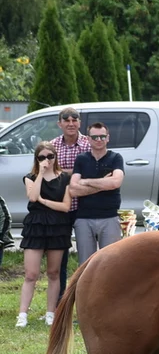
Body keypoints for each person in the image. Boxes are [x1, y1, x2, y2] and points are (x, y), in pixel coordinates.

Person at [15, 141, 72, 328]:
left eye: (50, 156)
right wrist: (40, 173)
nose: (46, 160)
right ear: (36, 159)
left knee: (53, 272)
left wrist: (44, 201)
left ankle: (51, 313)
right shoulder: (30, 177)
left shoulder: (64, 178)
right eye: (42, 157)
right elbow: (32, 198)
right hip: (36, 225)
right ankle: (22, 314)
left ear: (55, 157)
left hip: (57, 226)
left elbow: (65, 206)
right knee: (31, 274)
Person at [70, 122, 124, 264]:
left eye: (102, 137)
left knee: (111, 263)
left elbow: (115, 183)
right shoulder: (81, 159)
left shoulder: (116, 158)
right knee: (85, 264)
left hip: (110, 217)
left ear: (108, 138)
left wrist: (86, 181)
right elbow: (73, 189)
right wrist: (102, 184)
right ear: (88, 139)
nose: (99, 140)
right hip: (84, 218)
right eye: (95, 137)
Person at [51, 107, 90, 297]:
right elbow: (48, 174)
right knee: (60, 259)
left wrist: (64, 172)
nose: (71, 123)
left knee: (88, 258)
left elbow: (95, 174)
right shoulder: (51, 146)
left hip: (86, 208)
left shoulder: (89, 144)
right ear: (60, 124)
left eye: (75, 119)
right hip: (61, 209)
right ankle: (60, 302)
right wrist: (76, 174)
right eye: (66, 120)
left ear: (80, 123)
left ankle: (87, 299)